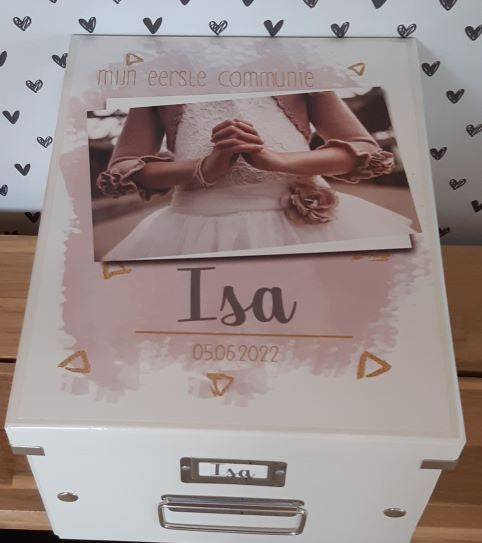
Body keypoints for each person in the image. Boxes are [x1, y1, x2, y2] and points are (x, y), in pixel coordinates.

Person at [97, 91, 412, 260]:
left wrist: (277, 160)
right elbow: (123, 168)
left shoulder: (296, 65)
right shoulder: (160, 77)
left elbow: (364, 150)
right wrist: (204, 167)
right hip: (196, 226)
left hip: (306, 228)